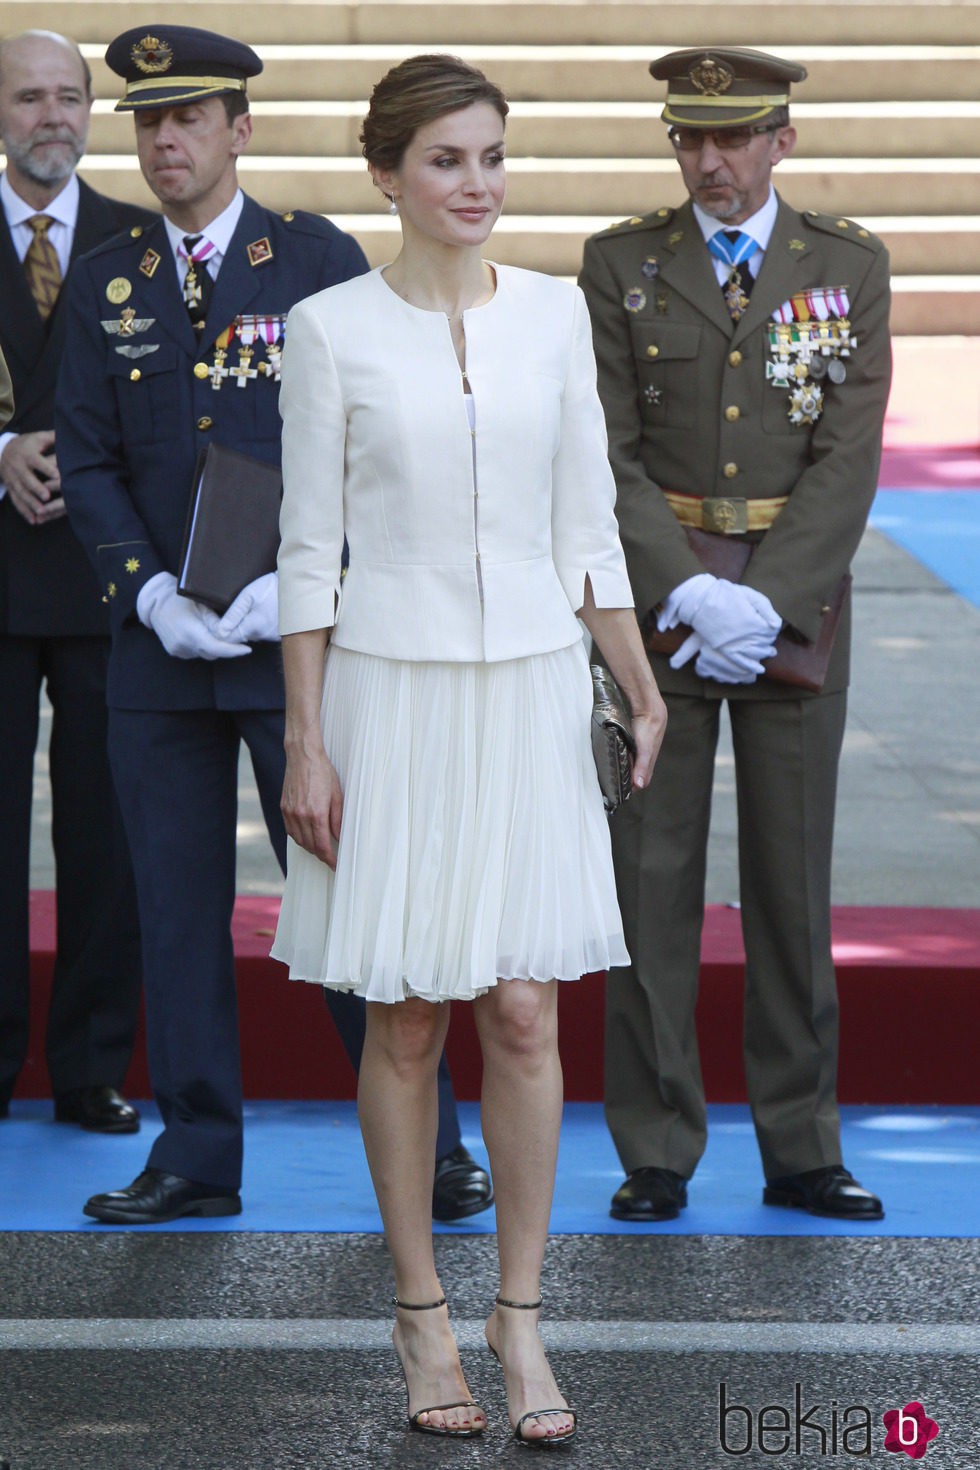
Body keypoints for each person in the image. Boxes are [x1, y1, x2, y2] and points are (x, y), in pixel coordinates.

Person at [271, 53, 666, 1445]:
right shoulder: (328, 330)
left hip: (531, 691)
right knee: (407, 1011)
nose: (477, 184)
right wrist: (306, 740)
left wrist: (634, 672)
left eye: (492, 156)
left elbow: (588, 524)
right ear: (387, 173)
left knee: (524, 1008)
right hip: (390, 692)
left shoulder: (556, 317)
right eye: (446, 160)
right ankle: (420, 1313)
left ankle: (521, 1316)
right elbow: (308, 553)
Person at [56, 25, 487, 1226]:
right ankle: (196, 1153)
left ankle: (433, 1142)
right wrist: (144, 591)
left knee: (350, 894)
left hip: (294, 649)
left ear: (238, 130)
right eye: (146, 121)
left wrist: (311, 581)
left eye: (188, 119)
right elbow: (85, 460)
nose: (163, 142)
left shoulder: (311, 259)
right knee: (173, 906)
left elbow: (370, 437)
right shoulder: (108, 277)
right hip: (158, 653)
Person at [578, 47, 891, 1224]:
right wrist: (683, 592)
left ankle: (800, 1143)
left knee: (789, 883)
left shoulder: (845, 264)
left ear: (779, 142)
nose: (707, 161)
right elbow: (601, 450)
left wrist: (767, 599)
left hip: (791, 610)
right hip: (657, 610)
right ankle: (654, 1145)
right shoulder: (620, 263)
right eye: (686, 139)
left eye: (731, 138)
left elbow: (848, 451)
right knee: (646, 877)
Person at [0, 29, 148, 1133]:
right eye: (27, 98)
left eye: (69, 97)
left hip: (105, 581)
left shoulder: (139, 243)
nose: (52, 117)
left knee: (105, 831)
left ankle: (91, 1066)